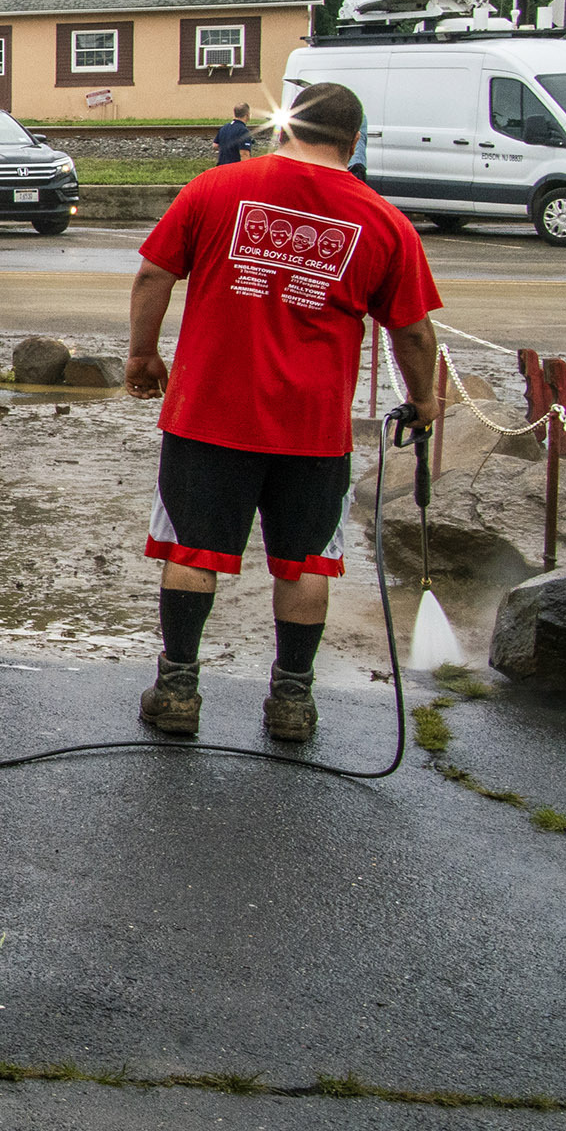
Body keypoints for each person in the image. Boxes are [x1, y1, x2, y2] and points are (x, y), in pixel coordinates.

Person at [124, 82, 446, 746]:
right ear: (354, 143)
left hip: (208, 414)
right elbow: (412, 332)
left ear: (282, 128)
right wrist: (424, 400)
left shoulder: (214, 189)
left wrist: (143, 356)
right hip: (313, 428)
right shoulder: (383, 221)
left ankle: (179, 688)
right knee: (305, 563)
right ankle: (292, 701)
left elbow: (154, 273)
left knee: (192, 550)